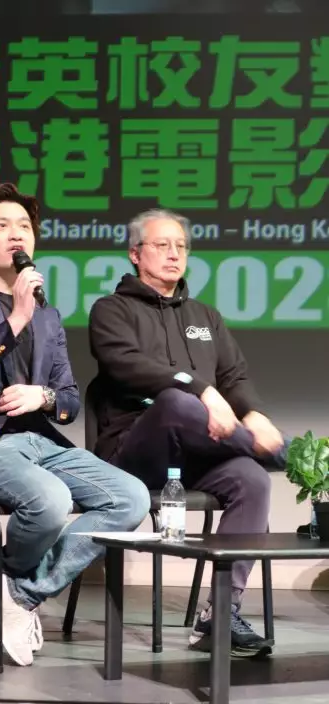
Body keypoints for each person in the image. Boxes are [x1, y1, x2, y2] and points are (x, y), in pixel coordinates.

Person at [0, 183, 150, 667]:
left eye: (24, 226)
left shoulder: (48, 316)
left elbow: (68, 399)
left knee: (131, 498)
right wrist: (17, 318)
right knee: (50, 500)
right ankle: (16, 591)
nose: (16, 234)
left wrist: (41, 396)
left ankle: (19, 593)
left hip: (39, 442)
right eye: (2, 225)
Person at [89, 208, 288, 659]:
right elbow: (127, 366)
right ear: (135, 254)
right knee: (176, 402)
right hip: (134, 453)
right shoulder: (110, 310)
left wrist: (254, 413)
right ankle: (283, 454)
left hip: (196, 454)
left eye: (181, 246)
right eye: (162, 245)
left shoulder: (204, 316)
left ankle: (219, 615)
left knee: (252, 480)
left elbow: (234, 376)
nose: (174, 254)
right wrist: (201, 390)